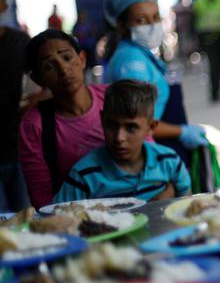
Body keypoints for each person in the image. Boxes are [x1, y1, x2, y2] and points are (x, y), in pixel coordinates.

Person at [103, 0, 207, 167]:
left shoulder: (139, 53)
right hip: (151, 154)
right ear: (121, 24)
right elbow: (136, 123)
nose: (152, 25)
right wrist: (182, 132)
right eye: (141, 20)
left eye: (155, 17)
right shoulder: (132, 63)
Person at [54, 80, 191, 203]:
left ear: (150, 127)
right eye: (112, 125)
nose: (119, 138)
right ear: (102, 120)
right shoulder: (84, 175)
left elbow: (187, 206)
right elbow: (57, 219)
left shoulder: (169, 162)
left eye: (131, 128)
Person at [18, 30, 107, 209]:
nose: (63, 69)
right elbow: (42, 199)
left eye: (67, 58)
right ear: (38, 79)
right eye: (49, 66)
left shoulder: (112, 97)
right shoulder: (34, 126)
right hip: (79, 217)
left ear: (82, 59)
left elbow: (148, 154)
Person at [0, 0, 31, 212]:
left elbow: (44, 84)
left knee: (25, 219)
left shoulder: (21, 43)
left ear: (4, 5)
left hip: (21, 149)